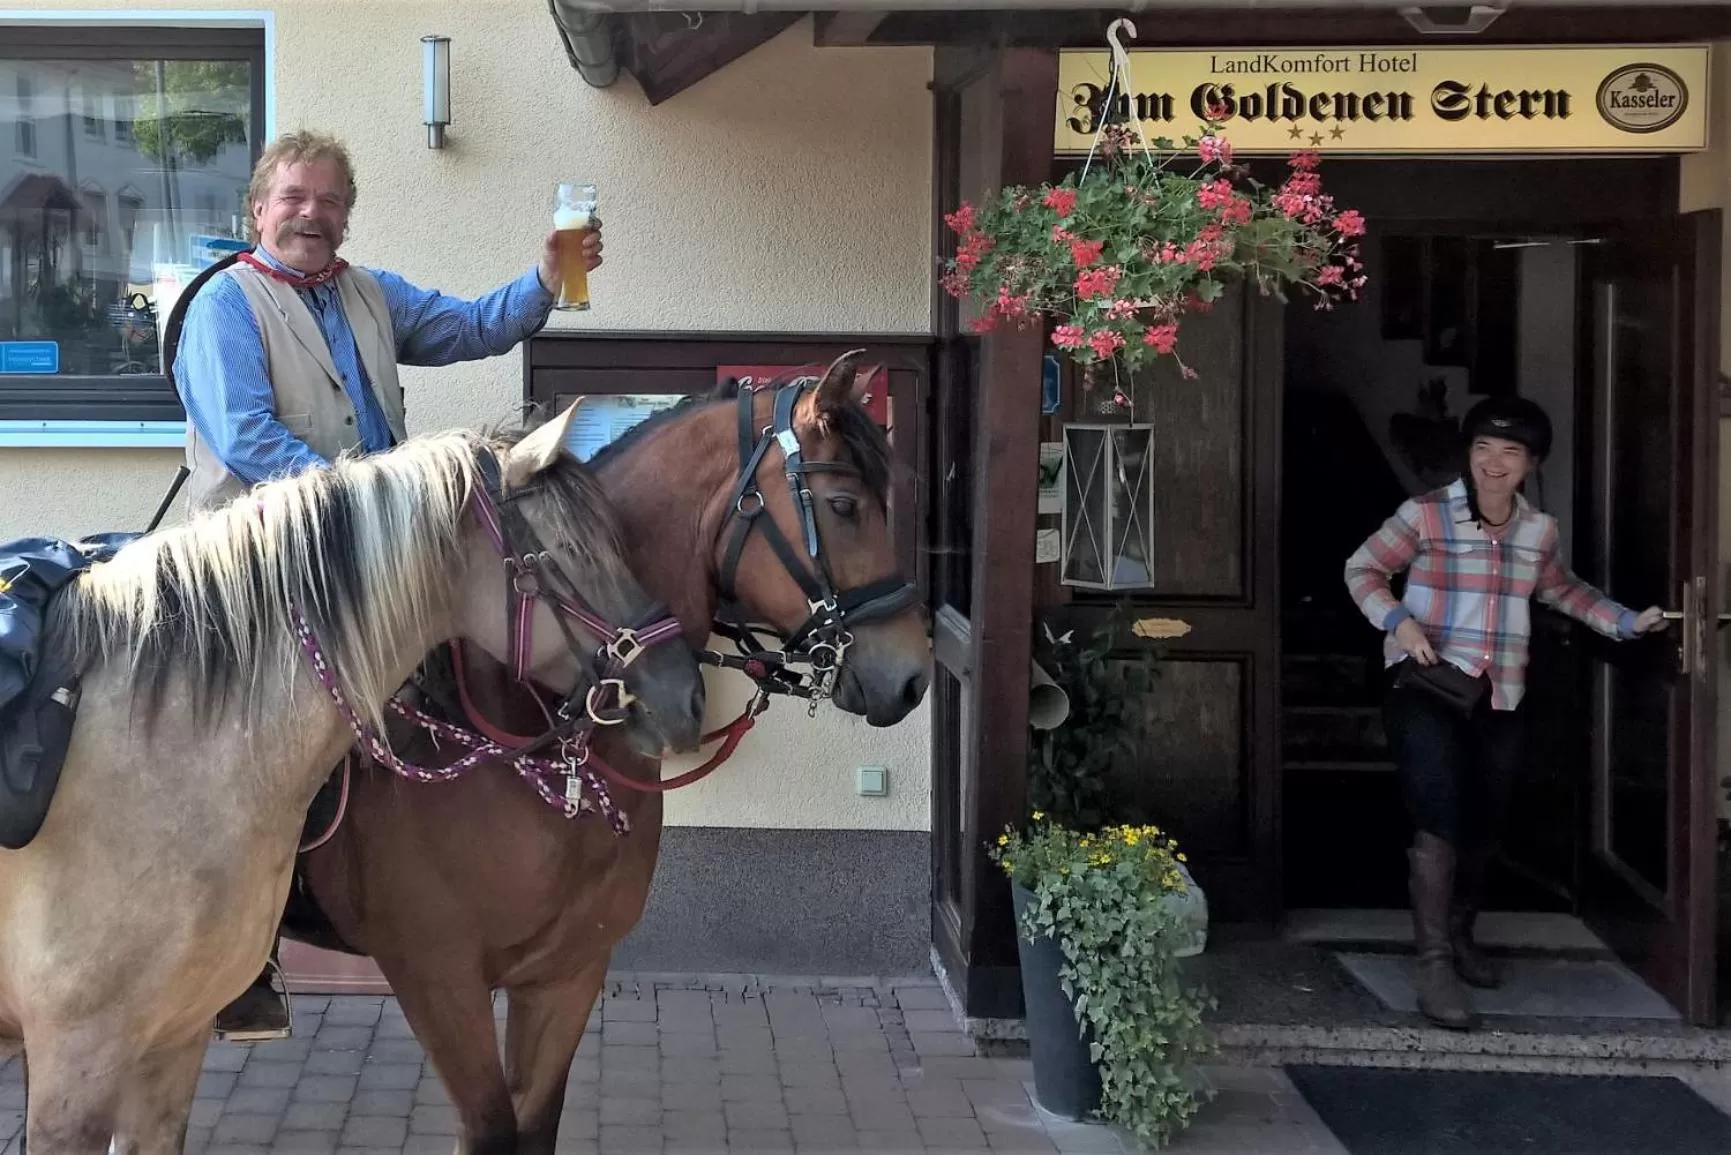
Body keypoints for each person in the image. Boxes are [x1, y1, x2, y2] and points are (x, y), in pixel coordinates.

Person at [172, 129, 603, 1041]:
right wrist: (380, 506)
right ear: (258, 210)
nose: (312, 215)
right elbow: (249, 441)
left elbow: (477, 325)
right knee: (269, 745)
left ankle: (436, 895)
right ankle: (245, 951)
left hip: (377, 562)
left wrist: (544, 275)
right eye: (294, 198)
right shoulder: (224, 306)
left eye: (330, 201)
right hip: (266, 568)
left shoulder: (370, 293)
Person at [1343, 396, 1666, 1031]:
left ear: (1530, 463)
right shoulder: (1427, 515)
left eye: (1510, 452)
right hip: (1427, 684)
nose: (1494, 462)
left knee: (1488, 819)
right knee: (1437, 814)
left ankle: (1462, 934)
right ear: (1468, 453)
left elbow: (1561, 588)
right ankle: (1433, 966)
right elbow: (1364, 569)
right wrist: (1400, 623)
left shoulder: (1537, 530)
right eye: (1483, 448)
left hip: (1501, 693)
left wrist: (1627, 621)